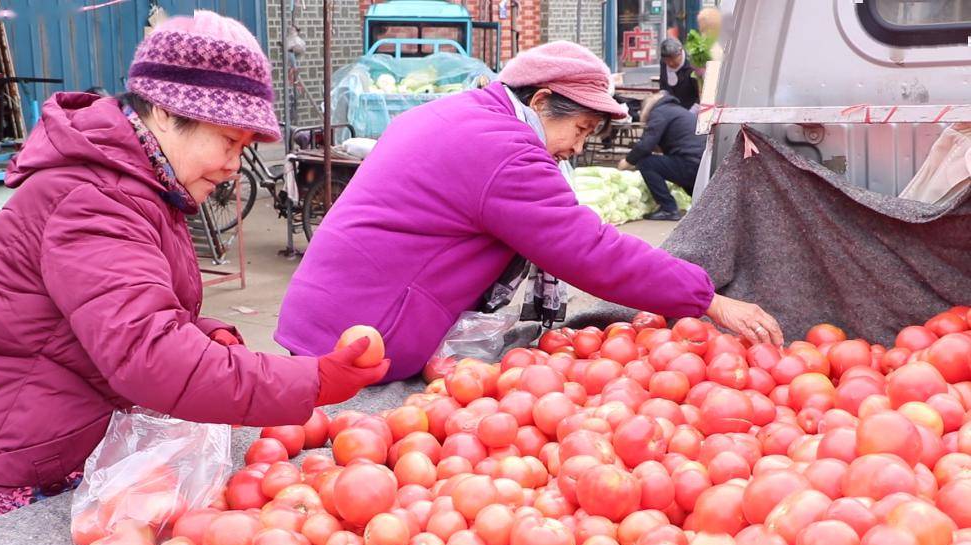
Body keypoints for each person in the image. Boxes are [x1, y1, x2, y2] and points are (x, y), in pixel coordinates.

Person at [0, 11, 387, 545]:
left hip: (35, 447)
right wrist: (309, 383)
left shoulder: (139, 189)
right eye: (228, 140)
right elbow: (150, 355)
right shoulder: (92, 200)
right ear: (167, 114)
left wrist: (204, 333)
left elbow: (127, 314)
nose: (230, 166)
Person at [275, 42, 784, 386]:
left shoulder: (459, 113)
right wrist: (708, 299)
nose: (574, 149)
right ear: (540, 101)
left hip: (331, 317)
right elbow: (590, 250)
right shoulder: (503, 150)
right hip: (361, 336)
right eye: (581, 130)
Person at [618, 91, 706, 221]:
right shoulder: (675, 110)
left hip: (690, 163)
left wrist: (627, 161)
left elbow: (646, 144)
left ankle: (668, 209)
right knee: (671, 167)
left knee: (646, 163)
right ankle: (701, 207)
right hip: (700, 163)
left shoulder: (660, 112)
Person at [658, 37, 701, 111]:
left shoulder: (693, 66)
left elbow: (700, 94)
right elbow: (663, 84)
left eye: (673, 59)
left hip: (691, 108)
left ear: (680, 52)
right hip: (671, 108)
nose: (670, 63)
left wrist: (691, 112)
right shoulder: (663, 62)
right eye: (667, 60)